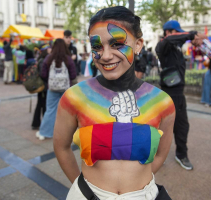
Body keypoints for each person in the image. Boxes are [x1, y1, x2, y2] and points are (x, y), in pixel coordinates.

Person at [54, 6, 175, 199]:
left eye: (117, 44)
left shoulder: (162, 102)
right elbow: (61, 147)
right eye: (97, 46)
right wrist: (82, 189)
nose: (106, 55)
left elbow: (160, 155)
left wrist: (136, 188)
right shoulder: (74, 97)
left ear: (138, 45)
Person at [155, 20, 204, 170]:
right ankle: (157, 155)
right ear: (168, 32)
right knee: (161, 127)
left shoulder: (176, 47)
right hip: (167, 94)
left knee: (182, 126)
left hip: (178, 93)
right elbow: (170, 39)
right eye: (176, 32)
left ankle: (181, 154)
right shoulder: (163, 44)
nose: (179, 35)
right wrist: (191, 34)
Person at [35, 39, 76, 140]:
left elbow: (43, 74)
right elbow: (73, 75)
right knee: (66, 111)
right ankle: (67, 133)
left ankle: (44, 132)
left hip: (52, 89)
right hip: (66, 89)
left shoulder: (49, 58)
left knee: (50, 110)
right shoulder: (68, 59)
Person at [31, 44, 51, 130]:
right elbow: (43, 75)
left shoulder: (41, 59)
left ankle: (36, 123)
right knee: (43, 105)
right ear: (45, 50)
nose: (51, 49)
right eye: (49, 48)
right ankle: (43, 124)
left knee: (40, 105)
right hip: (43, 86)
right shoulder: (43, 61)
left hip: (42, 86)